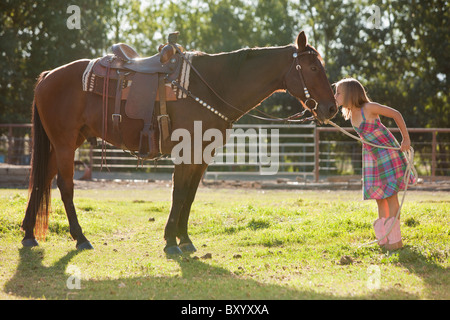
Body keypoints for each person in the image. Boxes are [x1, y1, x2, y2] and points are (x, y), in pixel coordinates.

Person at [334, 78, 416, 250]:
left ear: (350, 93)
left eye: (338, 92)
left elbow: (396, 114)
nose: (335, 95)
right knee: (379, 198)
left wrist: (406, 138)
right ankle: (384, 240)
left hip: (386, 153)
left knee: (390, 196)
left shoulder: (368, 108)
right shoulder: (350, 114)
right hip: (372, 158)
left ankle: (395, 241)